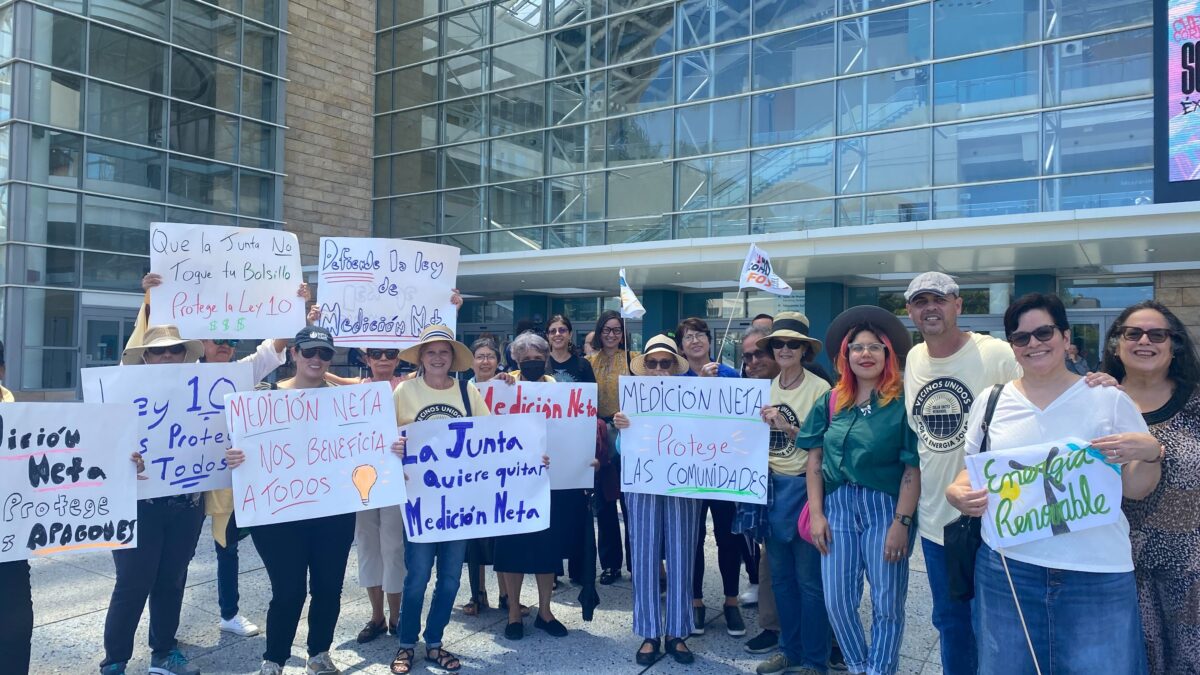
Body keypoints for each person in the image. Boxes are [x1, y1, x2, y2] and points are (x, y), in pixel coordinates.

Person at [946, 293, 1161, 675]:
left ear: (1065, 336)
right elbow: (974, 471)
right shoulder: (991, 401)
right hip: (1008, 568)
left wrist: (1149, 453)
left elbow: (1136, 489)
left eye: (1043, 332)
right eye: (1021, 338)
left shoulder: (1107, 399)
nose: (1034, 344)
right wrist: (957, 492)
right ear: (1012, 347)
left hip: (1096, 573)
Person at [137, 272, 309, 639]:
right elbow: (145, 351)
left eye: (232, 340)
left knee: (226, 547)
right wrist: (151, 299)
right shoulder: (178, 370)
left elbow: (273, 346)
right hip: (177, 481)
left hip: (224, 479)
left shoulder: (241, 372)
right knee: (173, 561)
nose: (226, 346)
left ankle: (228, 613)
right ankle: (163, 629)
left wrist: (297, 308)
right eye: (219, 340)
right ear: (201, 341)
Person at [901, 271, 1020, 675]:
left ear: (958, 305)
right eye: (920, 301)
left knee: (998, 627)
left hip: (994, 518)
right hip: (938, 524)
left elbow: (1046, 393)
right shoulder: (914, 358)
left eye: (939, 298)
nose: (930, 307)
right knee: (951, 624)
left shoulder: (996, 354)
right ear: (910, 312)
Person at [224, 326, 354, 675]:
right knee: (288, 590)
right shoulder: (261, 397)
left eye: (324, 353)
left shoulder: (347, 404)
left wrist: (387, 450)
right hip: (279, 514)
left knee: (328, 587)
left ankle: (319, 654)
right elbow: (236, 446)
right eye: (309, 351)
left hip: (333, 512)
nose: (316, 359)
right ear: (293, 354)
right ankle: (274, 659)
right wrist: (234, 457)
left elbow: (364, 448)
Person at [804, 306, 920, 675]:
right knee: (838, 600)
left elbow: (911, 467)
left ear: (888, 354)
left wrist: (902, 521)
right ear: (845, 355)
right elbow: (815, 459)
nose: (864, 354)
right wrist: (817, 514)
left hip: (885, 507)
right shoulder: (833, 399)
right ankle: (858, 666)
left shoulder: (903, 401)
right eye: (856, 348)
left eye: (874, 347)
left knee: (887, 602)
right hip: (837, 506)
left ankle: (880, 670)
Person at [101, 326, 208, 675]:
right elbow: (99, 448)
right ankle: (115, 659)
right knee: (132, 582)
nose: (167, 356)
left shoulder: (204, 394)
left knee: (172, 578)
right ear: (145, 356)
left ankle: (163, 651)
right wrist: (122, 458)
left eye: (175, 350)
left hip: (187, 504)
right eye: (159, 351)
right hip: (137, 504)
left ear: (184, 356)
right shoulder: (120, 393)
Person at [1105, 301, 1200, 674]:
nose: (1145, 341)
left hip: (1190, 570)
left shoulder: (1196, 403)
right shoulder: (1097, 401)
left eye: (1157, 334)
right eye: (1133, 333)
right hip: (1117, 568)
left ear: (1173, 344)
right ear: (1117, 344)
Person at [389, 325, 489, 675]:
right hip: (419, 501)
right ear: (420, 357)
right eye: (429, 352)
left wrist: (529, 460)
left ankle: (433, 642)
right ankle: (405, 643)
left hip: (459, 504)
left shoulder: (467, 390)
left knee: (449, 579)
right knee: (416, 576)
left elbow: (492, 438)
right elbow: (382, 437)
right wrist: (393, 447)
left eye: (443, 352)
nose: (436, 357)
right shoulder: (404, 391)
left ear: (452, 358)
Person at [613, 335, 702, 665]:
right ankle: (649, 632)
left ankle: (677, 632)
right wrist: (622, 428)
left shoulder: (695, 398)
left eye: (666, 363)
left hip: (683, 488)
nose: (659, 368)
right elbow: (624, 452)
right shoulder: (632, 402)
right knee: (644, 557)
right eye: (652, 363)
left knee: (681, 557)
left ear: (676, 368)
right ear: (644, 367)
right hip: (643, 486)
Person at [753, 312, 834, 675]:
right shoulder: (762, 388)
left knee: (809, 582)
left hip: (806, 491)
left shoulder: (821, 390)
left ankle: (815, 660)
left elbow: (827, 446)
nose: (785, 349)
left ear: (805, 350)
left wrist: (787, 427)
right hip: (770, 491)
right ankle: (789, 648)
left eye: (793, 344)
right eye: (779, 343)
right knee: (782, 579)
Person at [493, 331, 571, 640]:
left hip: (547, 480)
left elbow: (569, 430)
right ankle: (514, 611)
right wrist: (501, 385)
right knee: (511, 549)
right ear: (516, 360)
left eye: (538, 359)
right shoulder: (504, 385)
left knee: (546, 549)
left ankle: (545, 610)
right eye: (526, 360)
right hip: (510, 482)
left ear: (547, 358)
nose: (533, 363)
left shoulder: (557, 389)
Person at [675, 317, 747, 637]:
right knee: (693, 539)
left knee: (727, 536)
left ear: (709, 340)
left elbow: (743, 421)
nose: (695, 341)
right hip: (689, 471)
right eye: (688, 337)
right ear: (681, 346)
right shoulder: (675, 378)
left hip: (724, 470)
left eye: (700, 335)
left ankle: (731, 602)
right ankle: (696, 601)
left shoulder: (730, 375)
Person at [460, 337, 514, 617]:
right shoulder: (460, 389)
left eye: (489, 357)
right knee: (474, 536)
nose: (484, 361)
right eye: (479, 356)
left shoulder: (507, 385)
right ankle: (477, 594)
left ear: (497, 361)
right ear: (471, 361)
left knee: (500, 534)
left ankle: (507, 594)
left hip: (501, 467)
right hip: (471, 469)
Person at [545, 314, 598, 587]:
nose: (557, 334)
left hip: (575, 445)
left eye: (562, 329)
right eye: (553, 330)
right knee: (550, 509)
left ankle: (579, 568)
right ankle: (550, 570)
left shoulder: (582, 365)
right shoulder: (540, 365)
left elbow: (591, 405)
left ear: (569, 333)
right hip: (547, 446)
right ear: (547, 335)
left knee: (576, 509)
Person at [738, 327, 779, 654]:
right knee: (769, 557)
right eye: (746, 356)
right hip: (760, 484)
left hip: (800, 485)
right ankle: (771, 626)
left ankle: (824, 633)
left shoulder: (812, 383)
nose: (752, 361)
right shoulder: (744, 390)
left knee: (809, 567)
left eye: (758, 354)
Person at [588, 310, 636, 584]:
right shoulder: (588, 361)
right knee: (605, 503)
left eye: (617, 330)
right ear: (599, 331)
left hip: (628, 431)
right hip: (600, 435)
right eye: (607, 329)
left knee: (630, 502)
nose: (611, 334)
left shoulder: (633, 359)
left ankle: (636, 561)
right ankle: (610, 564)